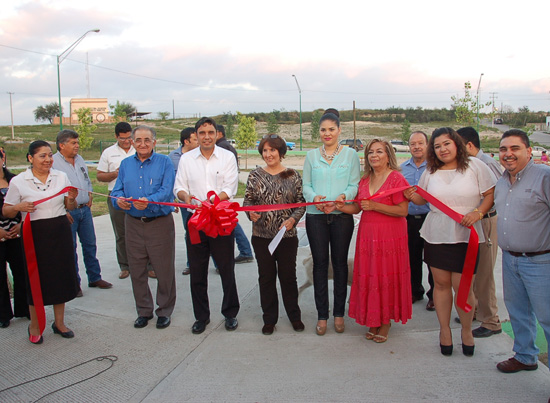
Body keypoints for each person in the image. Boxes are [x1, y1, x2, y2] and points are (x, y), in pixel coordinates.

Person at [405, 127, 496, 357]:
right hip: (437, 234)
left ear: (456, 144)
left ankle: (466, 331)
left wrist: (478, 213)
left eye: (446, 143)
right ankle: (444, 331)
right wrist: (408, 194)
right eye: (437, 146)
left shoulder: (476, 166)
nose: (442, 149)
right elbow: (421, 197)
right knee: (442, 285)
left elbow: (490, 193)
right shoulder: (431, 171)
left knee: (463, 288)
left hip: (466, 235)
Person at [3, 140, 79, 343]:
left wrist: (71, 198)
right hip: (34, 234)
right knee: (36, 280)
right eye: (42, 156)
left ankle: (59, 323)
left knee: (60, 277)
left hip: (59, 230)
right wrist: (20, 206)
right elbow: (6, 209)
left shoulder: (61, 176)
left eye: (50, 155)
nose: (48, 160)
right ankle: (35, 325)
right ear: (30, 158)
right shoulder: (19, 181)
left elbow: (69, 206)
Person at [337, 138, 411, 343]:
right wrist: (338, 207)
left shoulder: (396, 178)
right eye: (370, 152)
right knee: (371, 276)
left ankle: (385, 321)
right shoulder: (364, 180)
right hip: (368, 237)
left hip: (390, 237)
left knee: (386, 276)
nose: (374, 155)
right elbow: (358, 207)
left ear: (388, 156)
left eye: (379, 151)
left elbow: (403, 211)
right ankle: (374, 318)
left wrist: (376, 206)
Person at [174, 117, 240, 334]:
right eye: (202, 133)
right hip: (196, 221)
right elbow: (179, 187)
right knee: (197, 271)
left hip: (220, 221)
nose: (206, 137)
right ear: (196, 135)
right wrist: (186, 198)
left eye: (210, 132)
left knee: (226, 268)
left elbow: (230, 187)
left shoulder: (227, 157)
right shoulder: (187, 159)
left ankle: (230, 313)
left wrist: (211, 202)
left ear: (216, 134)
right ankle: (201, 317)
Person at [494, 129, 550, 373]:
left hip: (540, 262)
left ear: (529, 151)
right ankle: (525, 356)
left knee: (547, 319)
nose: (508, 154)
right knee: (517, 312)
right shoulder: (502, 180)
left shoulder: (544, 177)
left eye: (515, 148)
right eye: (504, 149)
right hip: (509, 260)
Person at [111, 126, 176, 329]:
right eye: (138, 140)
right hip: (133, 223)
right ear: (132, 142)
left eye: (147, 140)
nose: (142, 144)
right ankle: (144, 311)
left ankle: (164, 310)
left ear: (154, 142)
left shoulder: (165, 162)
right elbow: (117, 190)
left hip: (159, 224)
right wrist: (118, 200)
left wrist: (148, 201)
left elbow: (167, 191)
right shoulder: (125, 164)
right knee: (137, 269)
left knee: (163, 270)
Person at [302, 109, 360, 335]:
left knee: (339, 264)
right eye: (323, 130)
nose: (327, 133)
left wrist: (342, 198)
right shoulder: (311, 156)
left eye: (331, 129)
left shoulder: (350, 155)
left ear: (339, 130)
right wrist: (313, 198)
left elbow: (353, 184)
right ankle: (322, 315)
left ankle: (338, 314)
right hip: (316, 217)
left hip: (341, 216)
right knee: (319, 264)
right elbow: (306, 184)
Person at [244, 134, 306, 335]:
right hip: (261, 236)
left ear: (281, 152)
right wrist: (250, 212)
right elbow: (248, 201)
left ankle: (294, 316)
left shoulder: (293, 175)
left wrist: (292, 220)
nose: (268, 154)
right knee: (266, 277)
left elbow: (301, 203)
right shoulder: (255, 175)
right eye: (265, 150)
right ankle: (269, 319)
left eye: (272, 150)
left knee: (288, 277)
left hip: (286, 237)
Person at [52, 130, 112, 295]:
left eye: (77, 142)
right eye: (73, 143)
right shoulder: (54, 163)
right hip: (68, 212)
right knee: (70, 248)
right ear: (61, 145)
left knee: (90, 244)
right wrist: (62, 210)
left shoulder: (79, 160)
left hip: (84, 210)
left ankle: (94, 277)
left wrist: (90, 194)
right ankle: (74, 284)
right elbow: (53, 190)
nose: (77, 146)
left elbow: (86, 179)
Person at [457, 126, 503, 338]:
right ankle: (474, 310)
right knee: (471, 270)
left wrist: (477, 212)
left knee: (484, 273)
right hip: (470, 222)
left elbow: (494, 196)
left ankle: (491, 321)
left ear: (469, 145)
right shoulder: (467, 164)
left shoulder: (486, 164)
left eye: (457, 144)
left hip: (484, 221)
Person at [97, 122, 137, 280]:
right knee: (121, 233)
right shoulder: (108, 153)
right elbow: (100, 176)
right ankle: (125, 266)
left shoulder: (139, 149)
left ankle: (147, 266)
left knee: (142, 232)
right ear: (116, 137)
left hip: (137, 197)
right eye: (123, 139)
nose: (126, 141)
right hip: (116, 196)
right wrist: (115, 174)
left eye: (129, 138)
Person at [400, 131, 435, 310]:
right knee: (412, 258)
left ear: (427, 145)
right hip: (409, 219)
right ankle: (415, 290)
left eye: (420, 143)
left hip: (430, 218)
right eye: (413, 144)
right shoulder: (402, 168)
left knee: (432, 259)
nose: (417, 147)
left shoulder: (435, 167)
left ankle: (434, 295)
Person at [216, 124, 254, 264]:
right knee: (231, 222)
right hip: (224, 192)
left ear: (218, 133)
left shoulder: (222, 148)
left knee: (231, 223)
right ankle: (245, 250)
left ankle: (245, 251)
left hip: (221, 194)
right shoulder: (226, 145)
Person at [0, 148, 29, 328]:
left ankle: (24, 308)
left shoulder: (15, 180)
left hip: (17, 232)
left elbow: (27, 202)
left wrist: (21, 224)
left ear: (3, 158)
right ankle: (3, 314)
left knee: (21, 272)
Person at [168, 127, 199, 275]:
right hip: (184, 202)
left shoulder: (200, 156)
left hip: (202, 202)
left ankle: (217, 263)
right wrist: (172, 199)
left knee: (210, 230)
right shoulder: (172, 157)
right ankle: (191, 263)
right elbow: (170, 180)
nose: (199, 141)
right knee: (190, 230)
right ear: (186, 141)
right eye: (195, 139)